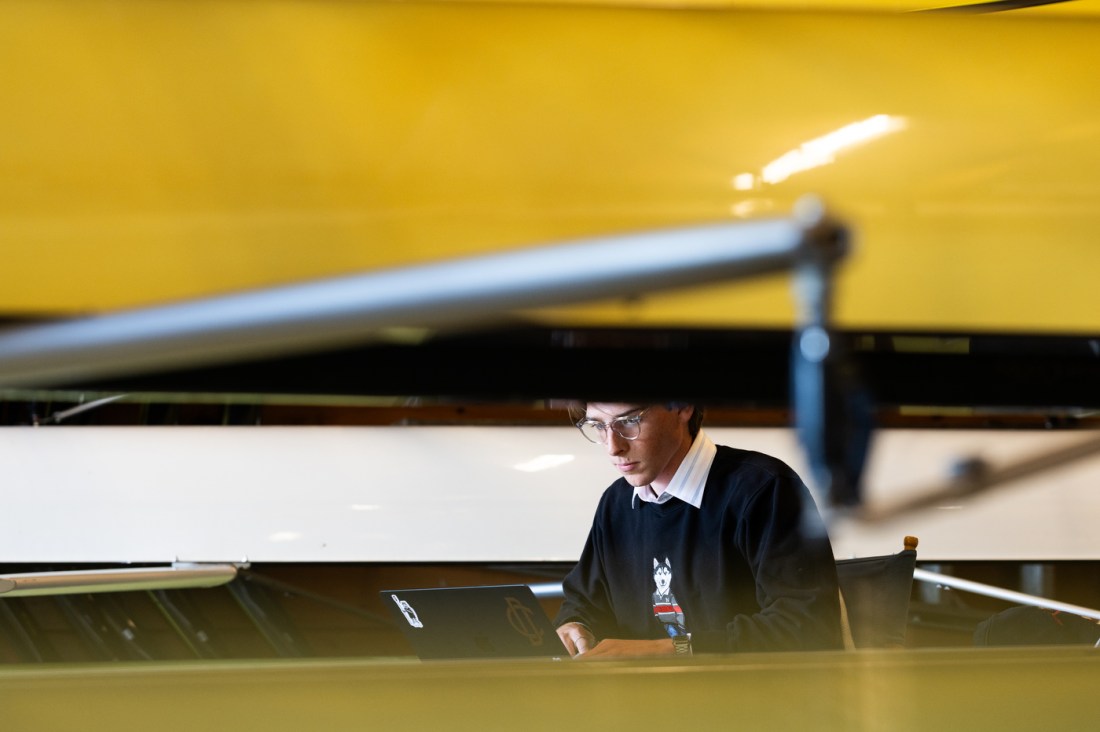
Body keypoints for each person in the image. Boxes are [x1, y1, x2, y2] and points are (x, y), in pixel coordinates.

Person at [554, 402, 843, 658]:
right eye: (598, 426)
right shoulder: (615, 503)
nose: (613, 447)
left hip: (748, 698)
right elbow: (584, 602)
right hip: (645, 698)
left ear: (682, 407)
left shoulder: (764, 488)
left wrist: (668, 650)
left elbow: (807, 626)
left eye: (630, 421)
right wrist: (576, 627)